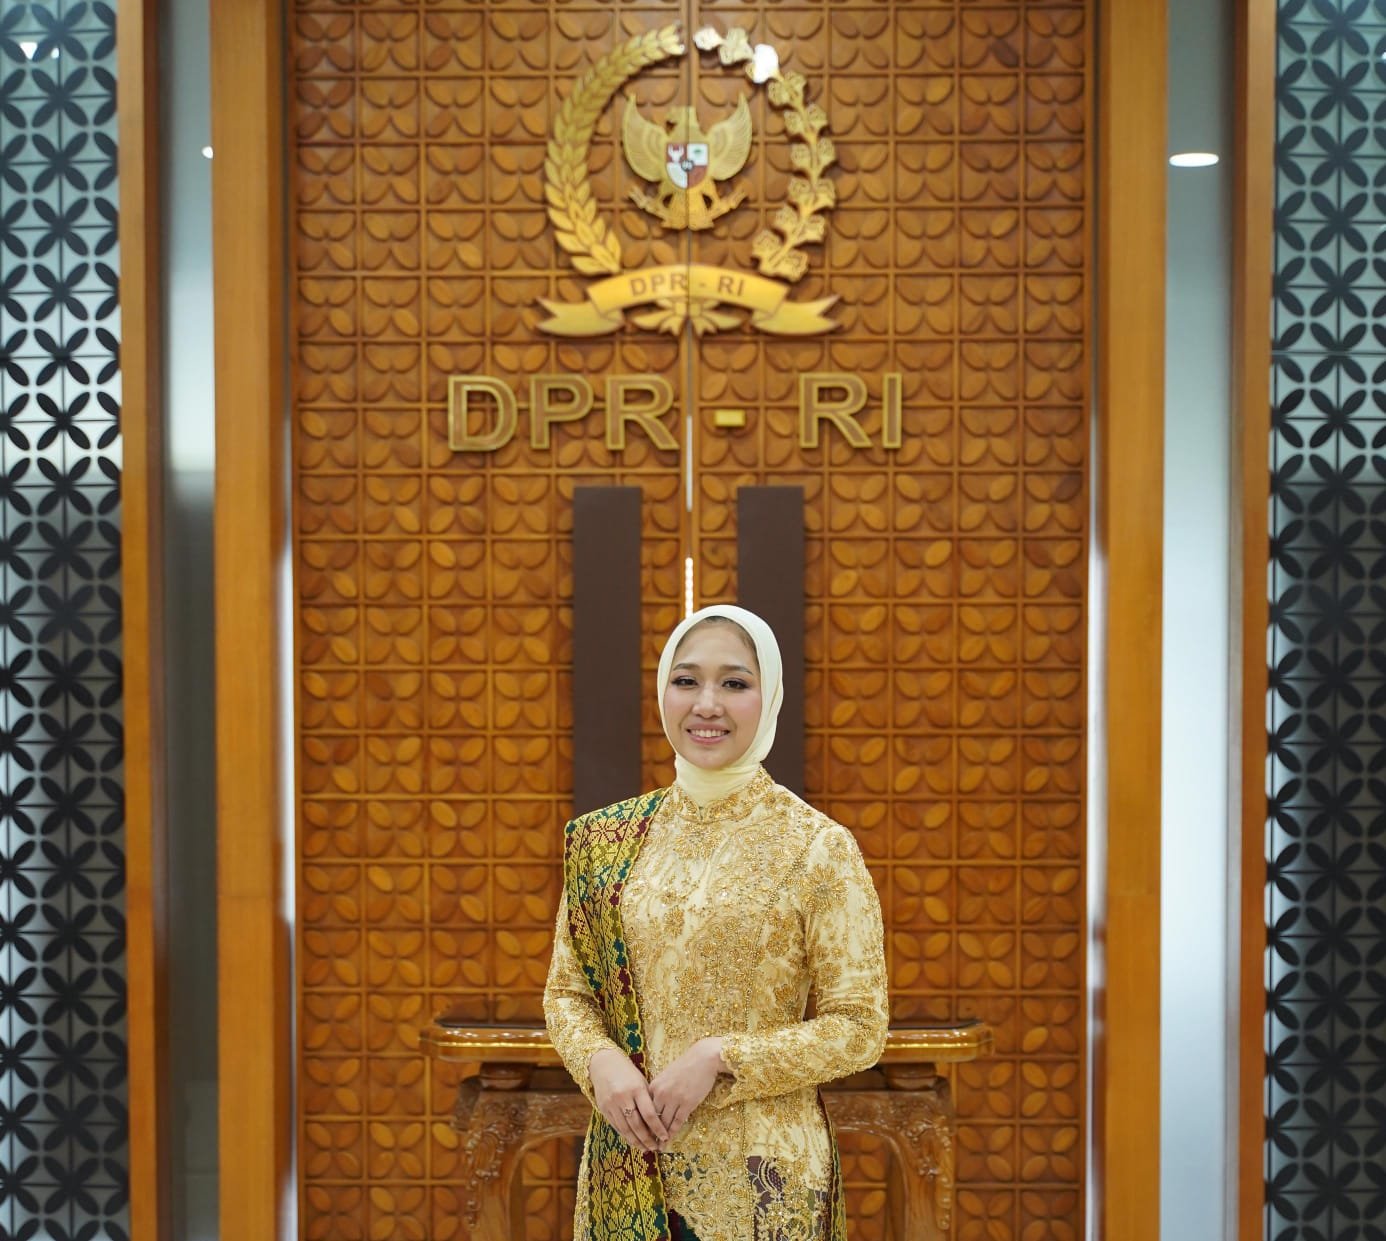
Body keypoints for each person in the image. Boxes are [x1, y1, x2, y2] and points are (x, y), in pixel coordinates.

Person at [544, 604, 889, 1241]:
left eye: (734, 683)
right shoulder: (602, 841)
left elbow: (859, 1028)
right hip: (629, 1166)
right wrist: (600, 1064)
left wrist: (719, 1056)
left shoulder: (816, 847)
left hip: (764, 1179)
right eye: (686, 681)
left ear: (770, 695)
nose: (707, 704)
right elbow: (568, 993)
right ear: (662, 693)